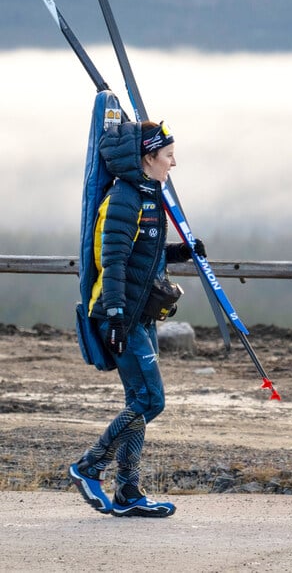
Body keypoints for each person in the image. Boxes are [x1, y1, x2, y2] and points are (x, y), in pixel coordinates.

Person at [68, 120, 204, 518]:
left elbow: (145, 252)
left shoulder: (147, 194)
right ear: (148, 158)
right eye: (168, 155)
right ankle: (89, 466)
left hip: (141, 313)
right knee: (150, 400)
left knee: (137, 401)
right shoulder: (125, 198)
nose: (174, 163)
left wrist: (180, 252)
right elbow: (111, 261)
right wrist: (113, 316)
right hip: (121, 315)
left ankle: (128, 492)